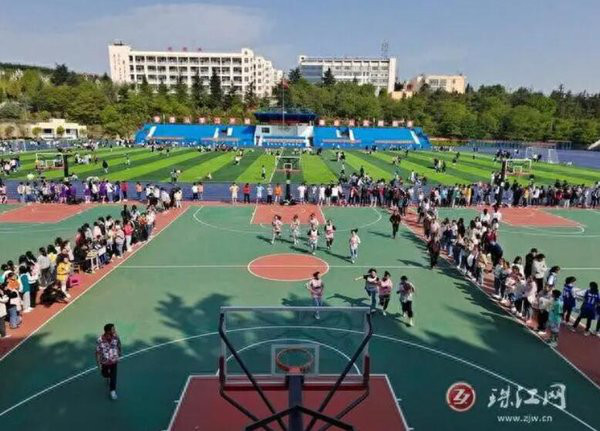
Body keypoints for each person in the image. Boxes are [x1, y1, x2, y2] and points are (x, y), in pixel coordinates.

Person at [96, 323, 122, 400]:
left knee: (113, 376)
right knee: (104, 374)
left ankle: (112, 391)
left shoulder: (116, 336)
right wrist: (98, 364)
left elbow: (119, 343)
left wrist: (120, 352)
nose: (115, 330)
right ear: (108, 331)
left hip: (114, 360)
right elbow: (97, 353)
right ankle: (108, 376)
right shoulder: (100, 340)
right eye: (113, 329)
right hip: (105, 362)